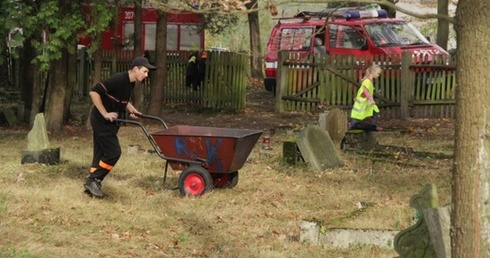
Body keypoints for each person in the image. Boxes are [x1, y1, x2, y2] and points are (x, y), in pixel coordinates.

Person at [84, 57, 156, 198]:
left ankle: (92, 185)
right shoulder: (119, 79)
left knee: (100, 153)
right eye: (145, 71)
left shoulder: (130, 83)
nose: (146, 75)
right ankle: (93, 180)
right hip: (101, 120)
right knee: (113, 152)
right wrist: (105, 113)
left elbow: (122, 99)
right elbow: (94, 92)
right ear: (135, 69)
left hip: (111, 122)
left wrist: (131, 109)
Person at [349, 64, 383, 131]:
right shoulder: (367, 81)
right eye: (378, 73)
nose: (378, 75)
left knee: (374, 112)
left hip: (365, 102)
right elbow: (365, 91)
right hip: (363, 102)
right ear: (373, 72)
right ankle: (371, 126)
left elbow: (361, 91)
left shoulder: (368, 81)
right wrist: (371, 99)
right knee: (358, 116)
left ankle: (372, 126)